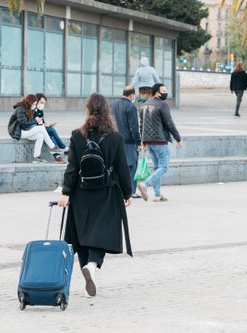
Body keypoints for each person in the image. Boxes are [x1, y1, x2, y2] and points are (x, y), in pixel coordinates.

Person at [57, 93, 133, 298]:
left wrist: (66, 193)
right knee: (102, 233)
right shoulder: (116, 138)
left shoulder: (76, 135)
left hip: (81, 192)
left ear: (88, 110)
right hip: (106, 192)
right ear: (108, 111)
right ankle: (91, 265)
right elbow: (122, 168)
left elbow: (72, 167)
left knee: (82, 235)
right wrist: (128, 193)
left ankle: (87, 268)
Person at [137, 83, 183, 202]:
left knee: (157, 167)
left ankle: (157, 195)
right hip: (160, 141)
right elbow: (169, 123)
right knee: (164, 167)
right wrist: (178, 138)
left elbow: (141, 125)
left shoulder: (143, 105)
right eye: (164, 90)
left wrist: (143, 142)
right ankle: (145, 184)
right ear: (157, 92)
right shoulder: (162, 105)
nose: (166, 92)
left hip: (149, 142)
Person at [14, 94, 66, 164]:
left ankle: (36, 157)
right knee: (43, 129)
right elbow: (23, 123)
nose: (35, 106)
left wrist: (44, 124)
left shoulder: (30, 109)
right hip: (19, 132)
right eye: (35, 104)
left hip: (27, 130)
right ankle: (53, 147)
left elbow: (31, 123)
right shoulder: (20, 109)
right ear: (30, 102)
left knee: (40, 136)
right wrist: (36, 121)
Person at [111, 86, 142, 199]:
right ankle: (131, 192)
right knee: (131, 167)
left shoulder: (113, 105)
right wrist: (138, 142)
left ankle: (118, 190)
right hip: (128, 142)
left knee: (117, 166)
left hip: (115, 140)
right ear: (132, 95)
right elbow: (134, 128)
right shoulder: (131, 107)